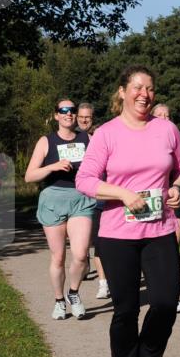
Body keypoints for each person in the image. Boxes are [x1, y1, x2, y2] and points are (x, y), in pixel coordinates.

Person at [76, 66, 180, 357]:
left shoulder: (167, 130)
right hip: (117, 235)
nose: (144, 94)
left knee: (166, 302)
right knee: (126, 310)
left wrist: (177, 186)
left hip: (160, 229)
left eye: (150, 88)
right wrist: (122, 194)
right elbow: (85, 180)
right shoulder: (107, 134)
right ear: (123, 92)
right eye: (137, 87)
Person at [24, 99, 96, 320]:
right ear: (56, 115)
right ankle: (58, 301)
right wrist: (53, 166)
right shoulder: (46, 141)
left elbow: (101, 166)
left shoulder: (88, 139)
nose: (69, 114)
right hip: (53, 198)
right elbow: (29, 176)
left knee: (81, 255)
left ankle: (73, 293)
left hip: (80, 198)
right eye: (63, 110)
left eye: (72, 110)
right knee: (58, 258)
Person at [152, 102, 180, 312]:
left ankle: (174, 296)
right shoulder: (144, 140)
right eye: (160, 115)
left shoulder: (176, 138)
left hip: (175, 198)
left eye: (168, 115)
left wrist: (177, 186)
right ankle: (158, 292)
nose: (164, 118)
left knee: (172, 249)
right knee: (155, 251)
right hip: (152, 200)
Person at [75, 102, 109, 298]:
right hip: (78, 197)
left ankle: (104, 281)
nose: (84, 120)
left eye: (87, 117)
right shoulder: (72, 138)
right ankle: (82, 264)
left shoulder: (99, 135)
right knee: (83, 242)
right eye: (81, 116)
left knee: (100, 242)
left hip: (100, 197)